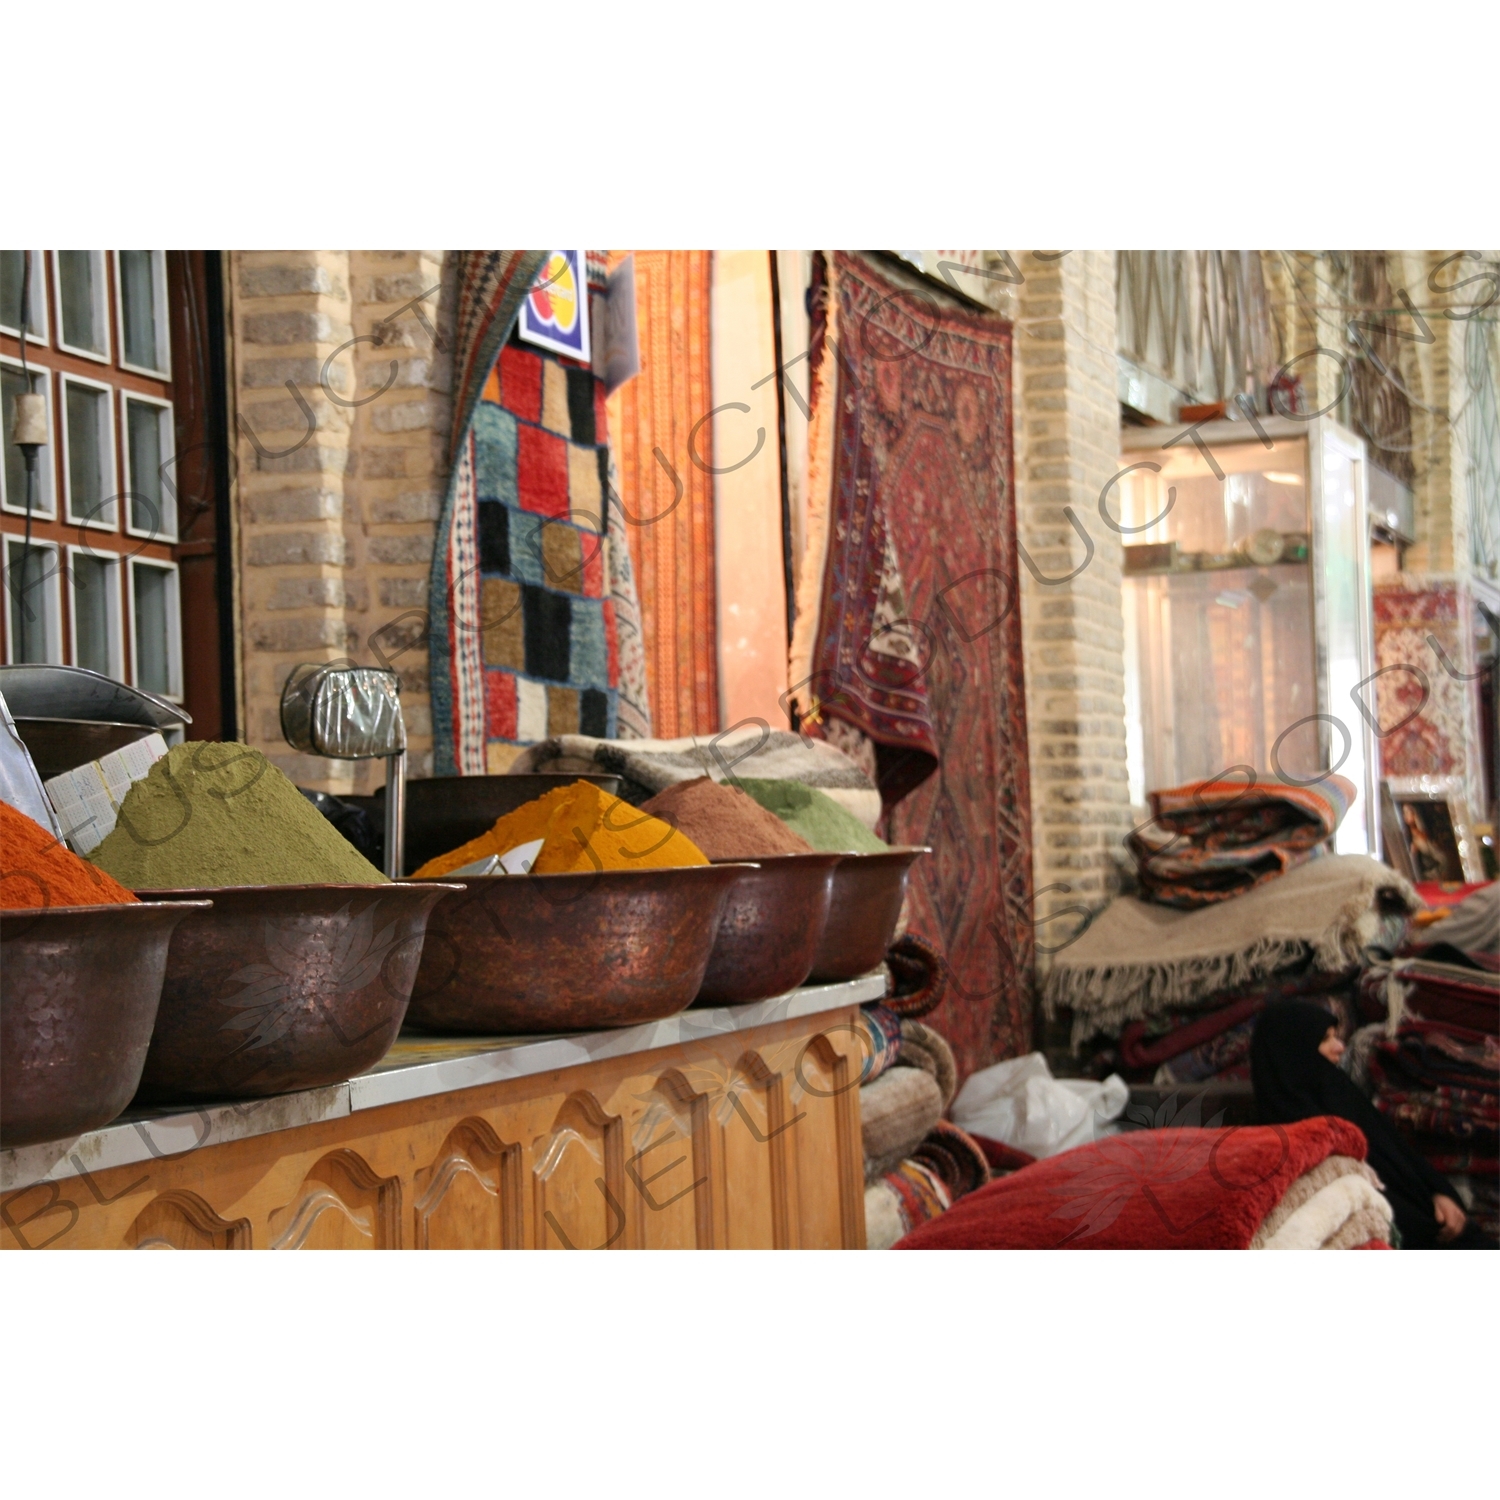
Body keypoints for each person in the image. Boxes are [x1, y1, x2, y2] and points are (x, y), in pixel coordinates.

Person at [1251, 1001, 1491, 1249]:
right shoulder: (1291, 1140)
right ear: (1294, 1050)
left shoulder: (1339, 1095)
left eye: (1336, 1037)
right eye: (1325, 1040)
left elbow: (1398, 1153)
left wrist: (1439, 1192)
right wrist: (1432, 1225)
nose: (1340, 1048)